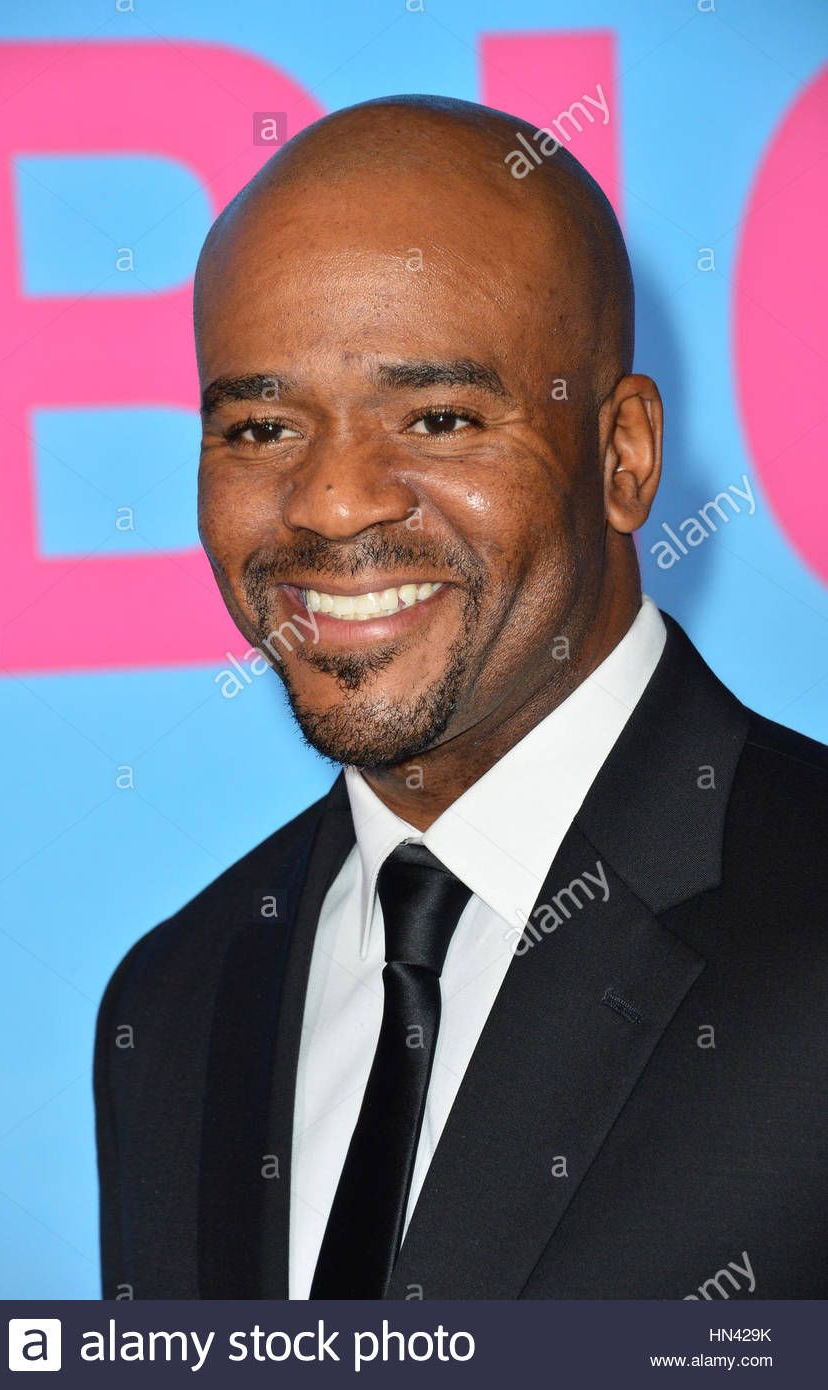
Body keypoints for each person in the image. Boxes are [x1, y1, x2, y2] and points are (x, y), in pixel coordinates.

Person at [94, 95, 828, 1301]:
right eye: (262, 427)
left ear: (623, 456)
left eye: (438, 418)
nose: (332, 501)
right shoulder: (174, 998)